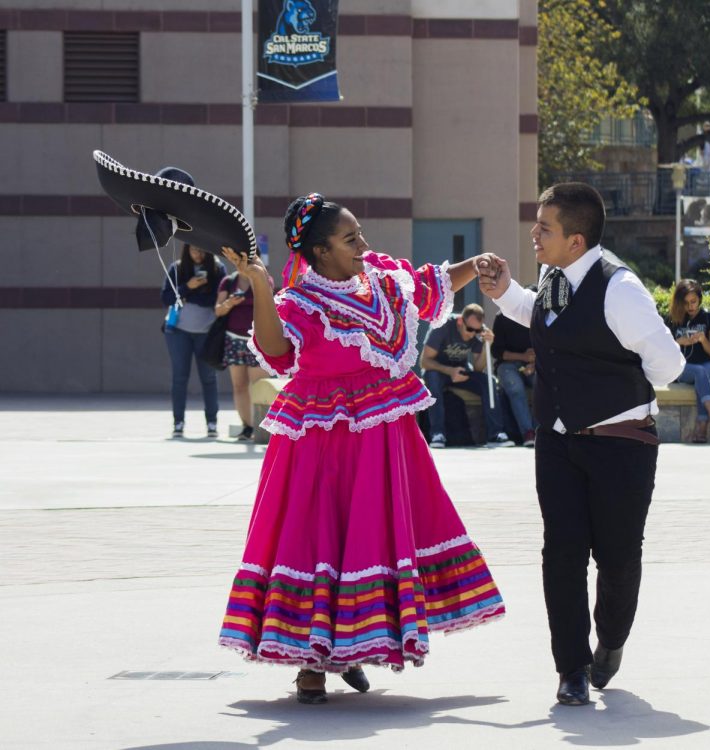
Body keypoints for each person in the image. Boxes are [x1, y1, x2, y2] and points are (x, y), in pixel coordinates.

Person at [217, 193, 505, 704]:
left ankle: (348, 647)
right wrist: (259, 281)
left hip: (384, 437)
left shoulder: (381, 279)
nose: (363, 244)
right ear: (320, 251)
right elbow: (278, 351)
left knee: (373, 538)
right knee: (318, 540)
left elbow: (426, 285)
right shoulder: (298, 302)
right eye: (351, 239)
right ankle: (311, 663)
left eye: (360, 235)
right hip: (320, 444)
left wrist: (474, 264)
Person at [478, 182, 684, 706]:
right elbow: (543, 316)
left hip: (621, 445)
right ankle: (570, 669)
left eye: (544, 227)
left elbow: (670, 365)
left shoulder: (621, 289)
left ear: (576, 240)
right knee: (561, 554)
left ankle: (610, 642)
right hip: (557, 443)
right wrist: (506, 292)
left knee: (617, 558)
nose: (534, 234)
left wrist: (613, 385)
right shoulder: (553, 275)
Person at [420, 304, 515, 448]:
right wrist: (449, 371)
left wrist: (486, 345)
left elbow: (478, 367)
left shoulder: (478, 333)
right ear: (460, 321)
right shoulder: (442, 326)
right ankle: (437, 434)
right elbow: (424, 362)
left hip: (461, 373)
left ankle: (496, 434)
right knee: (432, 378)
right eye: (470, 329)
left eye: (477, 330)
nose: (472, 334)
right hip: (438, 371)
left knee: (487, 381)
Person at [161, 243, 226, 438]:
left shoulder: (217, 268)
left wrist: (191, 296)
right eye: (194, 249)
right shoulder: (178, 268)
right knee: (179, 378)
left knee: (209, 378)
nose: (198, 253)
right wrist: (188, 287)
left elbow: (217, 300)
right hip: (178, 331)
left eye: (202, 249)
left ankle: (212, 423)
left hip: (206, 331)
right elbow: (166, 297)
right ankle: (178, 422)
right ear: (187, 250)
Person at [214, 268, 273, 441]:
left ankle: (261, 426)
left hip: (258, 339)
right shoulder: (229, 281)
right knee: (239, 385)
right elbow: (218, 310)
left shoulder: (264, 279)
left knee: (259, 385)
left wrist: (256, 280)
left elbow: (269, 303)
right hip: (234, 339)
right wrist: (229, 303)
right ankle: (247, 426)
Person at [667, 279, 710, 443]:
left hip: (705, 365)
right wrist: (680, 342)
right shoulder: (674, 320)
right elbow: (663, 348)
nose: (690, 306)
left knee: (704, 372)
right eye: (686, 303)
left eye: (693, 301)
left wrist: (702, 339)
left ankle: (702, 426)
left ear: (700, 299)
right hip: (681, 367)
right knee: (701, 372)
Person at [492, 304, 536, 446]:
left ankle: (541, 431)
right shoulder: (501, 317)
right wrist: (523, 357)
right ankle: (528, 432)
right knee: (515, 387)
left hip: (533, 365)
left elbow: (547, 347)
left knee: (543, 384)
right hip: (507, 365)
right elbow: (497, 352)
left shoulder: (538, 316)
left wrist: (535, 364)